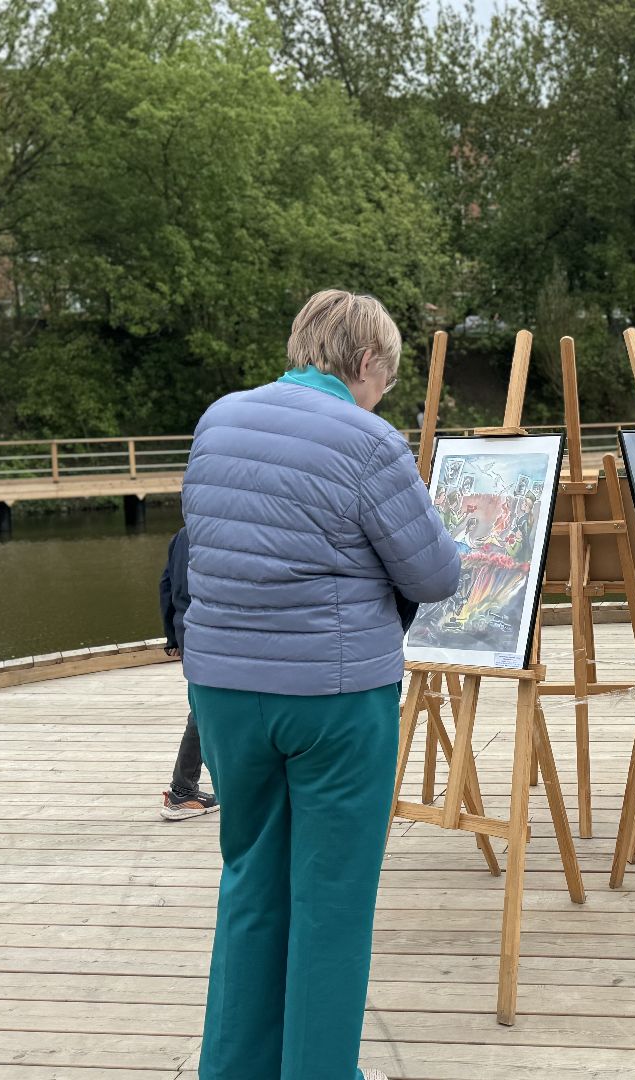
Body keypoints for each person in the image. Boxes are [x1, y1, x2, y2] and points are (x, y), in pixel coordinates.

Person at [181, 289, 461, 1080]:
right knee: (331, 901)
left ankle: (232, 1070)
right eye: (385, 381)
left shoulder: (220, 419)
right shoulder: (369, 442)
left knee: (251, 880)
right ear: (366, 363)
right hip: (332, 696)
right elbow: (435, 573)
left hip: (224, 692)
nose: (382, 398)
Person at [157, 524, 220, 821]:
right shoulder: (220, 530)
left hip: (189, 633)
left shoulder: (181, 535)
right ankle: (182, 791)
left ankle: (183, 789)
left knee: (202, 708)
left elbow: (166, 586)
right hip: (215, 635)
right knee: (204, 712)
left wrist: (172, 637)